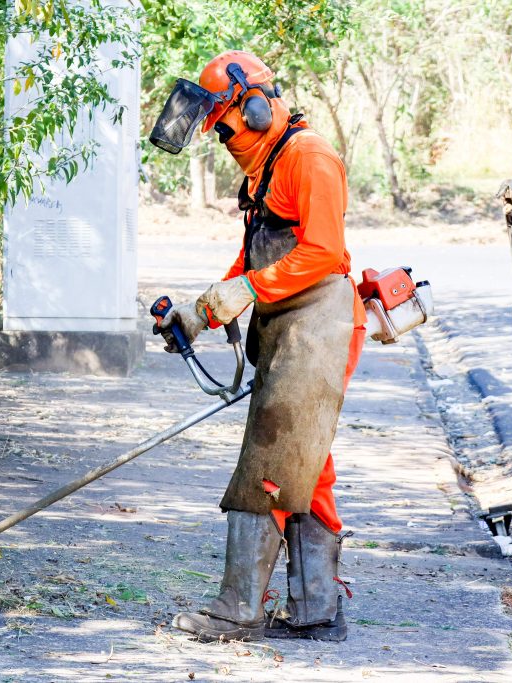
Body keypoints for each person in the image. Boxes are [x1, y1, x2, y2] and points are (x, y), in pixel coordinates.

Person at [148, 50, 366, 643]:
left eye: (223, 125)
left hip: (318, 323)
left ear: (254, 107)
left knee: (269, 467)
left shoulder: (309, 157)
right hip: (286, 319)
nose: (222, 138)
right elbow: (257, 256)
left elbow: (320, 252)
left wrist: (243, 290)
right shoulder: (265, 166)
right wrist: (200, 313)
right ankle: (318, 610)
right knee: (307, 467)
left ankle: (236, 610)